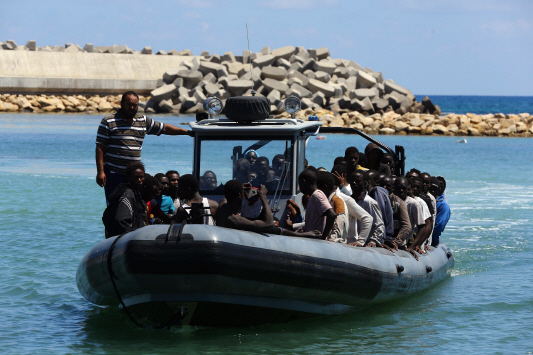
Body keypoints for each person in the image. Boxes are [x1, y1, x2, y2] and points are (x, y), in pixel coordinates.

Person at [95, 90, 193, 202]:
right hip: (114, 174)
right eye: (129, 104)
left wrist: (186, 132)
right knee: (114, 205)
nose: (132, 108)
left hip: (135, 176)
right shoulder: (108, 121)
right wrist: (100, 172)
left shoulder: (143, 120)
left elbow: (164, 128)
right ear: (121, 104)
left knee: (137, 204)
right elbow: (100, 147)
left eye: (135, 105)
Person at [216, 180, 321, 238]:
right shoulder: (235, 219)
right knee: (272, 228)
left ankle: (297, 233)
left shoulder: (222, 206)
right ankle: (300, 235)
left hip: (234, 235)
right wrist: (263, 196)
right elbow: (269, 224)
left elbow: (228, 197)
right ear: (240, 195)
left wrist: (241, 188)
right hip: (239, 239)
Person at [286, 169, 336, 240]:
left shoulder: (317, 195)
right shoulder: (313, 196)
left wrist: (323, 237)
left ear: (303, 182)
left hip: (317, 241)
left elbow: (332, 215)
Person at [101, 161, 147, 237]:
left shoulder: (136, 193)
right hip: (124, 238)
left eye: (141, 177)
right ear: (128, 177)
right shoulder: (128, 194)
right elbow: (122, 219)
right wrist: (130, 236)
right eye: (136, 177)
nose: (139, 180)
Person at [331, 164, 373, 245]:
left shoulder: (345, 199)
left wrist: (361, 242)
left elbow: (368, 219)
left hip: (348, 244)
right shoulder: (325, 198)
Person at [349, 171, 385, 248]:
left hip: (363, 244)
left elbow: (379, 225)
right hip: (349, 243)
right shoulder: (348, 200)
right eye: (352, 181)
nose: (354, 183)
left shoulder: (370, 202)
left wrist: (373, 241)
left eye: (358, 181)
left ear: (365, 183)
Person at [393, 177, 425, 253]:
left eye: (404, 188)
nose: (401, 191)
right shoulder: (389, 201)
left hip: (404, 242)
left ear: (408, 189)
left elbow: (422, 227)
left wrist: (412, 246)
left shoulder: (413, 204)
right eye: (398, 188)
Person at [316, 171, 348, 243]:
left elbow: (340, 222)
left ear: (325, 187)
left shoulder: (337, 200)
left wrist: (331, 239)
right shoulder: (327, 201)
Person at [366, 170, 395, 249]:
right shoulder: (370, 193)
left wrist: (379, 239)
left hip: (379, 237)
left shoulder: (376, 192)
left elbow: (380, 217)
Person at [409, 176, 433, 253]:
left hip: (415, 240)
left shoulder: (421, 203)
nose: (415, 189)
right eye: (414, 187)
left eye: (418, 187)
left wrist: (418, 245)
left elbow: (428, 225)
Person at [429, 177, 451, 247]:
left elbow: (438, 226)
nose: (440, 189)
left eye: (442, 187)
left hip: (431, 241)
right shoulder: (429, 200)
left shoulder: (443, 205)